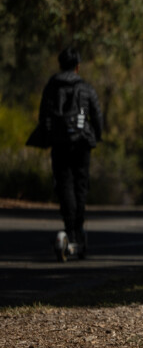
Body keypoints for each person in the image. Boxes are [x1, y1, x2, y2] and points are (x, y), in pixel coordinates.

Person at [27, 47, 103, 254]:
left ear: (60, 65)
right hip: (82, 144)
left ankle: (69, 227)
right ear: (77, 66)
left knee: (64, 185)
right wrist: (96, 136)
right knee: (80, 185)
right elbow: (96, 116)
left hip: (59, 143)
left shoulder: (52, 86)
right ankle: (78, 228)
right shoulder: (86, 88)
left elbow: (43, 116)